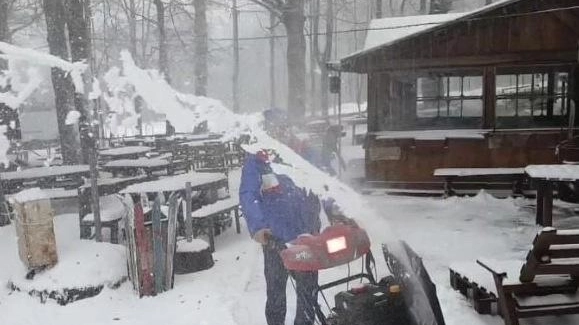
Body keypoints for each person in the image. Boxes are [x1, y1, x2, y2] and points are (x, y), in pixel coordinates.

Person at [239, 148, 321, 325]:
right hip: (276, 240)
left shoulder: (301, 152)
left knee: (308, 291)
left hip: (307, 236)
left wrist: (339, 211)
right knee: (276, 293)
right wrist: (259, 227)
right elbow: (248, 195)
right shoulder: (257, 162)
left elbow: (322, 184)